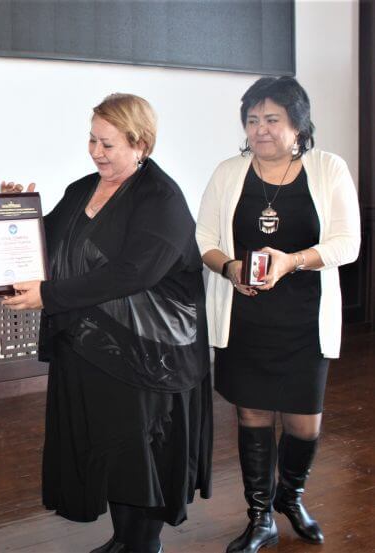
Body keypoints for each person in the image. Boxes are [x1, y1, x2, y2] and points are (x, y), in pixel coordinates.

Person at [3, 93, 212, 553]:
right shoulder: (82, 190)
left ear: (140, 145)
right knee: (110, 449)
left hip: (147, 355)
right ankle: (124, 539)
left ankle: (143, 544)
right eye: (92, 140)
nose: (96, 152)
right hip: (90, 346)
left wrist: (49, 296)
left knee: (139, 453)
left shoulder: (161, 199)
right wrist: (12, 211)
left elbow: (132, 273)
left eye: (108, 144)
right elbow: (45, 241)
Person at [196, 76, 360, 553]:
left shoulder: (328, 169)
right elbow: (204, 239)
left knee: (304, 422)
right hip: (245, 317)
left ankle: (291, 497)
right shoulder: (229, 172)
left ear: (298, 125)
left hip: (305, 320)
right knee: (252, 413)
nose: (260, 129)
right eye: (252, 120)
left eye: (272, 119)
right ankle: (260, 515)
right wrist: (229, 268)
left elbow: (347, 244)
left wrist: (293, 261)